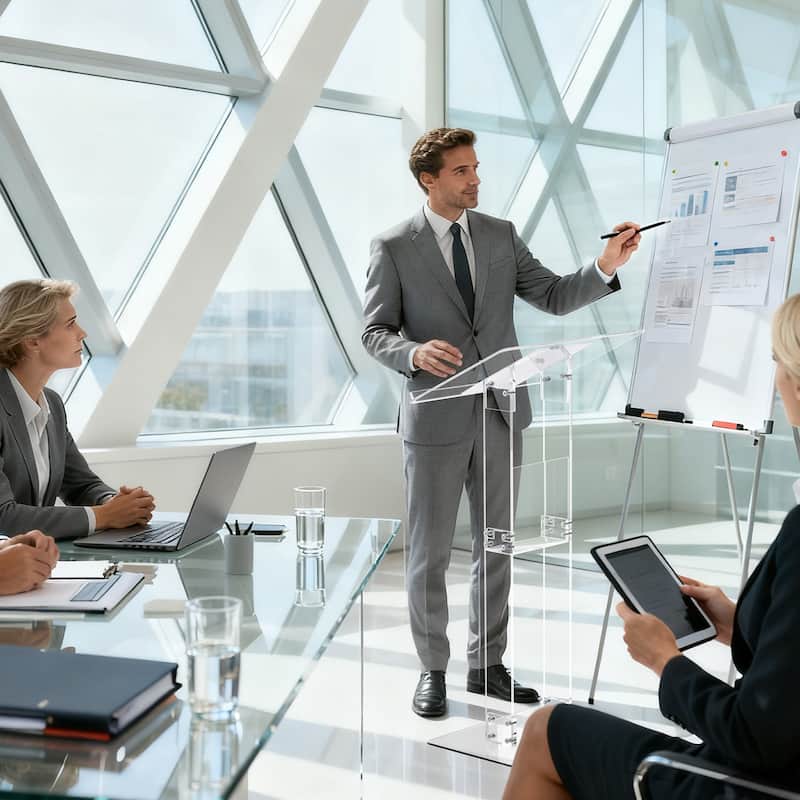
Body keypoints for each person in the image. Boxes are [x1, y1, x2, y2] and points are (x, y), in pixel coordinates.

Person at [362, 127, 640, 717]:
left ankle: (487, 665)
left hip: (500, 410)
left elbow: (555, 295)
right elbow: (375, 331)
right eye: (461, 171)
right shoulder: (392, 245)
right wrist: (411, 354)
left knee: (498, 543)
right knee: (429, 551)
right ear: (428, 180)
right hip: (434, 416)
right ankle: (432, 669)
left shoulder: (500, 235)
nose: (475, 180)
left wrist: (604, 265)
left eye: (476, 168)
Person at [503, 294, 800, 799]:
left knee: (545, 732)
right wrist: (736, 626)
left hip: (760, 785)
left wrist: (667, 663)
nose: (774, 382)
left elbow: (758, 736)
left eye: (775, 361)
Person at [0, 279, 155, 539]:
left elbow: (81, 485)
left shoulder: (52, 405)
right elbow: (4, 518)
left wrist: (117, 503)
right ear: (32, 341)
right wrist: (105, 516)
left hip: (36, 562)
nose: (82, 333)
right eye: (70, 324)